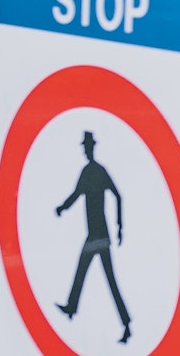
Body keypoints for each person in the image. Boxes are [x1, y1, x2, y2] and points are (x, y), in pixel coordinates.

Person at [56, 130, 132, 344]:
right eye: (84, 147)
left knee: (109, 280)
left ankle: (126, 325)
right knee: (85, 271)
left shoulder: (97, 171)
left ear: (92, 148)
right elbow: (76, 194)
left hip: (100, 235)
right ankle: (72, 308)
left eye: (87, 147)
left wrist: (120, 226)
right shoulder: (88, 171)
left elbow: (118, 195)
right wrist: (62, 207)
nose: (85, 150)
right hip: (94, 234)